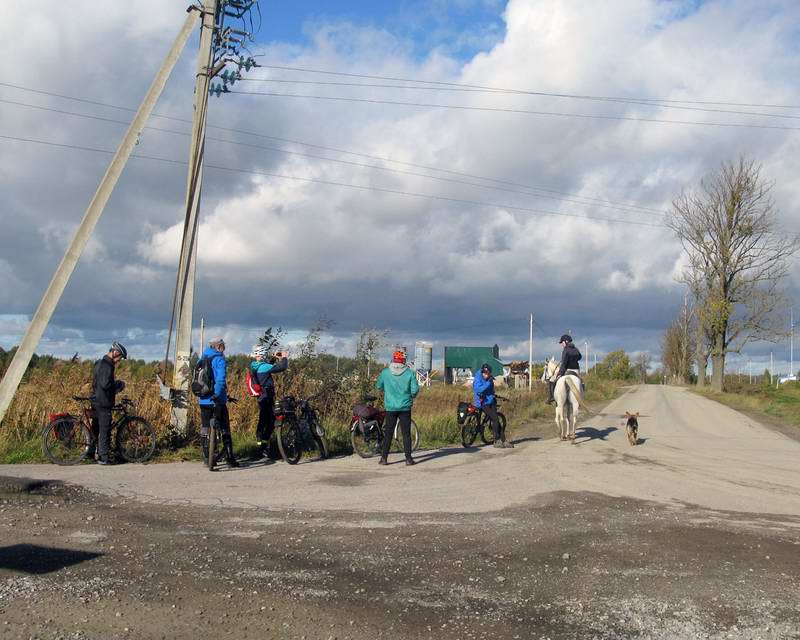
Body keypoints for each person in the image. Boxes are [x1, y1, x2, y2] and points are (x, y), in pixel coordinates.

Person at [198, 337, 238, 467]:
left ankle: (206, 458)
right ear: (218, 346)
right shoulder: (219, 359)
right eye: (223, 346)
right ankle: (229, 458)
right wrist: (218, 394)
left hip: (203, 399)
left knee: (204, 428)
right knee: (225, 428)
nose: (224, 348)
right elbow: (220, 380)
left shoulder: (202, 358)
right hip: (217, 399)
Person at [376, 350, 419, 466]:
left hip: (390, 407)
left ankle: (384, 458)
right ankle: (408, 459)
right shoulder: (410, 373)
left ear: (393, 359)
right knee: (406, 433)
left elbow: (378, 385)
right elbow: (415, 390)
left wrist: (388, 391)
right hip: (405, 407)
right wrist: (411, 396)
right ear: (403, 360)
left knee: (388, 433)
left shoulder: (385, 372)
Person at [90, 342, 127, 465]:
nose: (119, 360)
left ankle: (89, 453)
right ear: (115, 353)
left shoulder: (98, 363)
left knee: (95, 429)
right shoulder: (108, 365)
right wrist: (118, 384)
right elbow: (105, 384)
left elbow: (96, 383)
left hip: (95, 400)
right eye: (120, 357)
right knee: (105, 429)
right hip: (103, 402)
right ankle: (103, 457)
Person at [250, 345, 288, 458]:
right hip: (267, 396)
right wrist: (284, 358)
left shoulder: (254, 365)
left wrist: (274, 359)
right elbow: (282, 367)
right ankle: (261, 449)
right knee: (269, 421)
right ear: (263, 354)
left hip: (261, 396)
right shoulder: (264, 366)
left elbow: (268, 367)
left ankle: (261, 447)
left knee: (265, 420)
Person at [473, 363, 514, 448]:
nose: (486, 375)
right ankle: (496, 440)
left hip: (490, 400)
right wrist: (488, 382)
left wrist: (494, 396)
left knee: (496, 420)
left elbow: (491, 390)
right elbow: (478, 389)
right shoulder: (478, 377)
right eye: (484, 373)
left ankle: (503, 440)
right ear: (482, 371)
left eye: (487, 373)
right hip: (482, 402)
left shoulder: (489, 378)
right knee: (495, 418)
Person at [547, 334, 582, 405]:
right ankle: (581, 397)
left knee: (552, 380)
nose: (561, 344)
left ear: (566, 341)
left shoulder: (565, 350)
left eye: (562, 342)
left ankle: (552, 398)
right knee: (582, 383)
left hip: (567, 371)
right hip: (576, 371)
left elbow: (564, 364)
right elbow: (580, 357)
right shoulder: (576, 349)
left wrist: (559, 374)